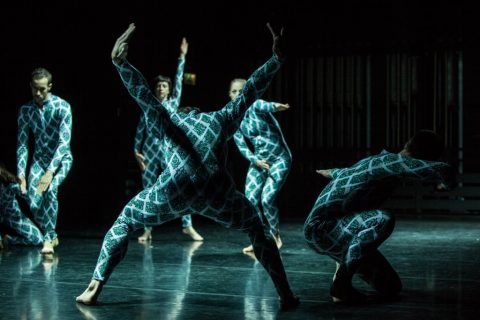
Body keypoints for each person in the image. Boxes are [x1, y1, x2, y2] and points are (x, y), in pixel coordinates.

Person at [76, 23, 299, 310]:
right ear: (196, 112)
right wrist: (276, 60)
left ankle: (94, 287)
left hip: (173, 191)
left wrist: (120, 63)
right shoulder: (219, 119)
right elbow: (250, 91)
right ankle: (285, 293)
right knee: (257, 229)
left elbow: (144, 97)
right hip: (217, 195)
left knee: (124, 222)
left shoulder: (171, 120)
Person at [303, 130, 451, 303]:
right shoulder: (393, 161)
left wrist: (331, 172)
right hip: (323, 228)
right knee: (382, 219)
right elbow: (444, 170)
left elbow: (344, 173)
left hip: (336, 228)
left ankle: (341, 275)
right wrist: (445, 185)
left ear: (407, 143)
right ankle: (341, 284)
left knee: (391, 287)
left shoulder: (374, 161)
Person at [134, 37, 203, 242]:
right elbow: (139, 131)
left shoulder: (173, 103)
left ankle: (187, 225)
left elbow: (180, 79)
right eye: (159, 86)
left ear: (169, 89)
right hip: (149, 151)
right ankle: (147, 229)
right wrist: (135, 151)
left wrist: (182, 57)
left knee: (180, 185)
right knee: (148, 190)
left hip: (169, 150)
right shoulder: (149, 107)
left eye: (165, 86)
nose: (161, 88)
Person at [229, 79, 292, 253]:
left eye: (241, 91)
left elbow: (267, 106)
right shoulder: (234, 118)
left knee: (267, 198)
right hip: (258, 161)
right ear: (229, 94)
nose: (237, 94)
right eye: (234, 91)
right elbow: (241, 144)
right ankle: (259, 239)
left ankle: (275, 236)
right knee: (250, 201)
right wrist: (255, 160)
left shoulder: (255, 105)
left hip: (279, 158)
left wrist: (278, 107)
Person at [16, 67, 73, 254]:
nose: (38, 93)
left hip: (61, 160)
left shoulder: (62, 107)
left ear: (50, 86)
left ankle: (48, 238)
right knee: (32, 202)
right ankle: (51, 233)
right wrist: (21, 174)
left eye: (42, 89)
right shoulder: (25, 110)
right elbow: (23, 144)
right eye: (34, 89)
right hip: (39, 160)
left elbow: (64, 143)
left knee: (50, 190)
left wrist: (50, 173)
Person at [1, 163, 43, 250]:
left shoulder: (10, 183)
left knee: (38, 240)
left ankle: (9, 239)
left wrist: (27, 193)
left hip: (11, 215)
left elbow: (26, 195)